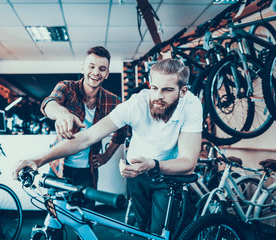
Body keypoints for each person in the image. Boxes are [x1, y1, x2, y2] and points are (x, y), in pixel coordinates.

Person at [14, 58, 202, 235]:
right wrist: (38, 159)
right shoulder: (136, 104)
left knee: (159, 232)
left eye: (167, 90)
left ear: (183, 91)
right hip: (136, 173)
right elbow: (85, 137)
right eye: (154, 88)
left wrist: (153, 164)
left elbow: (188, 162)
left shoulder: (191, 106)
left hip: (167, 174)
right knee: (140, 230)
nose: (158, 96)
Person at [31, 46, 127, 238]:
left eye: (102, 68)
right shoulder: (67, 87)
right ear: (83, 68)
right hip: (57, 168)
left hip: (88, 172)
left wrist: (107, 155)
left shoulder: (113, 101)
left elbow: (122, 132)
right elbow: (49, 103)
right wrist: (62, 113)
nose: (96, 72)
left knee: (85, 221)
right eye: (91, 66)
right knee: (55, 220)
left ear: (107, 73)